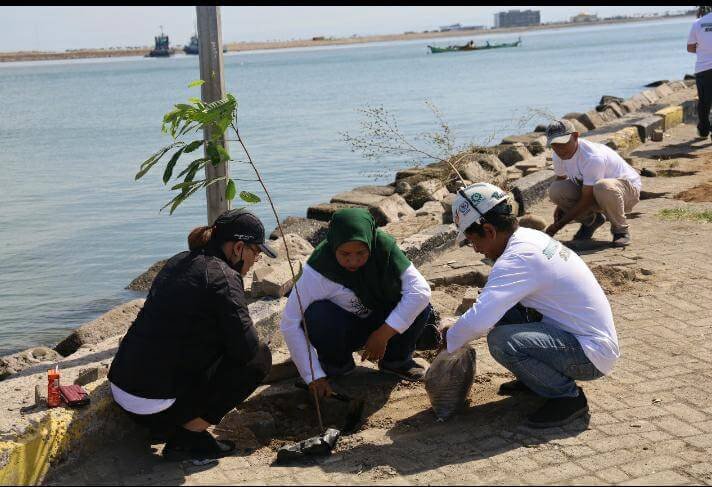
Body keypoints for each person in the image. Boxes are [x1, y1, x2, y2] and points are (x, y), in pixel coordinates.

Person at [441, 183, 619, 428]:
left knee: (502, 340)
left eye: (473, 240)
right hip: (582, 337)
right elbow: (491, 308)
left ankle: (568, 398)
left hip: (589, 356)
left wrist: (449, 339)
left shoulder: (517, 259)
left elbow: (480, 319)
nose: (476, 249)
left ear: (489, 230)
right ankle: (535, 377)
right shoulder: (529, 237)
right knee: (504, 315)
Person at [108, 209, 277, 460]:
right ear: (238, 248)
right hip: (156, 405)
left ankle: (167, 427)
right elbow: (247, 351)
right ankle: (188, 438)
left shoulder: (179, 260)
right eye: (256, 252)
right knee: (259, 358)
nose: (256, 260)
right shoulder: (224, 278)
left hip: (123, 389)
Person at [280, 208, 432, 399]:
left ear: (371, 242)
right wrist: (313, 376)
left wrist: (383, 334)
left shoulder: (384, 248)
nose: (353, 261)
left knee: (421, 305)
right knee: (316, 313)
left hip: (384, 321)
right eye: (345, 254)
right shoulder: (317, 269)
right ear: (333, 246)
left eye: (361, 253)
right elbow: (289, 324)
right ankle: (336, 364)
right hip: (346, 328)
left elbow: (421, 291)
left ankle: (396, 360)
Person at [544, 119, 642, 247]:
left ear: (575, 136)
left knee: (603, 186)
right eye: (555, 144)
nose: (560, 149)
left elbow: (587, 198)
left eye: (563, 143)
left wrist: (558, 225)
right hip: (595, 192)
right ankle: (591, 221)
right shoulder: (558, 155)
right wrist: (560, 206)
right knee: (555, 190)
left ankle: (621, 230)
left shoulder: (592, 158)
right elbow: (561, 179)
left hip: (626, 192)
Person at [688, 5, 712, 139]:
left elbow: (690, 48)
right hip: (703, 69)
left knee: (704, 101)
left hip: (703, 69)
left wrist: (703, 50)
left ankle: (703, 130)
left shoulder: (698, 23)